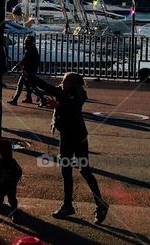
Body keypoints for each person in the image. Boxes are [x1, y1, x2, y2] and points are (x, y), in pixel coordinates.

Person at [28, 71, 109, 224]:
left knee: (84, 169)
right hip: (65, 135)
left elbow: (74, 106)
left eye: (65, 81)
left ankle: (101, 204)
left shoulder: (80, 95)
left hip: (78, 137)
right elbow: (45, 86)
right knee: (66, 171)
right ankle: (67, 206)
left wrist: (58, 105)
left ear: (73, 84)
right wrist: (29, 76)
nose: (62, 83)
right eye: (63, 80)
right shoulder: (61, 91)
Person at [0, 138, 23, 221]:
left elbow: (18, 171)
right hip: (0, 184)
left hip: (10, 184)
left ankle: (14, 213)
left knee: (12, 200)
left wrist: (16, 176)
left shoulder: (12, 162)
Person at [8, 34, 40, 105]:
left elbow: (23, 61)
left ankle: (15, 100)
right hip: (30, 70)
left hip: (27, 71)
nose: (24, 44)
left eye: (25, 42)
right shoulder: (33, 50)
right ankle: (29, 98)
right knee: (28, 85)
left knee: (21, 85)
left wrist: (16, 66)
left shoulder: (29, 51)